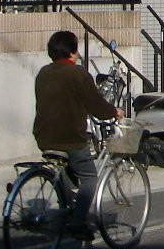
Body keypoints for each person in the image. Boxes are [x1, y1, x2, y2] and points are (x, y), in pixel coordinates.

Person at [33, 30, 123, 241]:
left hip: (44, 137)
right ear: (73, 52)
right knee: (89, 177)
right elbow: (96, 106)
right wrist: (114, 112)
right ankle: (78, 220)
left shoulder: (43, 73)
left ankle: (68, 205)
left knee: (65, 170)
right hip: (70, 138)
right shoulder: (79, 74)